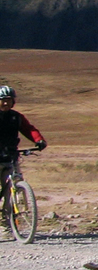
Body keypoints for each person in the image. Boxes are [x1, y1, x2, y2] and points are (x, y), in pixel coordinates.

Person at [0, 86, 46, 239]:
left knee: (13, 190)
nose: (5, 104)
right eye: (2, 101)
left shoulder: (16, 117)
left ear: (13, 102)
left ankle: (6, 227)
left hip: (11, 156)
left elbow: (28, 129)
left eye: (8, 100)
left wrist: (38, 140)